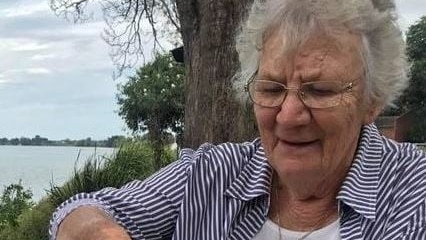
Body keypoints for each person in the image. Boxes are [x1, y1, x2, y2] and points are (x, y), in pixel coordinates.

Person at [50, 0, 426, 239]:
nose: (290, 115)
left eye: (320, 90)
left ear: (372, 99)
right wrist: (97, 230)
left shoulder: (414, 196)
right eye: (272, 88)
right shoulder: (210, 174)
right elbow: (82, 208)